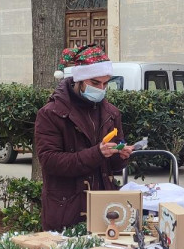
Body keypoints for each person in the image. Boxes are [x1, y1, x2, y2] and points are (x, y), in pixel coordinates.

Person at [33, 45, 134, 231]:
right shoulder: (51, 113)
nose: (101, 89)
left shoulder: (112, 113)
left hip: (104, 208)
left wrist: (120, 156)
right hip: (66, 210)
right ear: (79, 80)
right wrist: (97, 153)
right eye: (95, 83)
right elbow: (49, 161)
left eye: (106, 83)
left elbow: (112, 166)